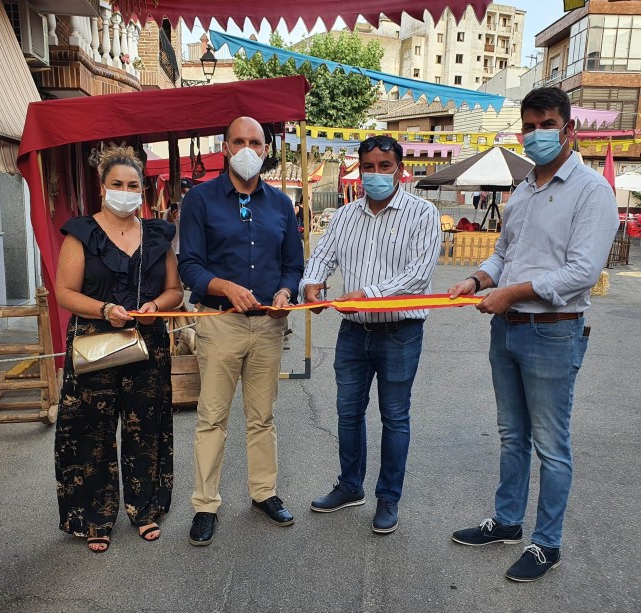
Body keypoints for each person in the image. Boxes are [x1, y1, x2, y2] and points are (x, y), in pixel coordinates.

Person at [448, 87, 619, 582]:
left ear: (569, 128)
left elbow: (583, 272)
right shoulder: (522, 190)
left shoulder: (592, 192)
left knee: (551, 443)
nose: (536, 134)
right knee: (511, 435)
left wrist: (513, 291)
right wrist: (478, 280)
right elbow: (503, 252)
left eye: (546, 123)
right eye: (529, 125)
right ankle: (506, 522)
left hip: (552, 331)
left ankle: (548, 544)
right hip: (507, 329)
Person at [300, 136, 440, 534]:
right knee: (348, 413)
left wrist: (370, 295)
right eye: (368, 167)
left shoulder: (422, 213)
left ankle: (388, 497)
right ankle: (349, 486)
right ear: (357, 169)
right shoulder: (344, 216)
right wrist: (312, 283)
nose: (375, 174)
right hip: (353, 331)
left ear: (400, 168)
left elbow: (418, 275)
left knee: (395, 417)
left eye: (384, 166)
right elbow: (322, 256)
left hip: (401, 331)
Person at [179, 116, 304, 546]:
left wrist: (287, 292)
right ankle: (205, 504)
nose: (248, 148)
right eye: (239, 141)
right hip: (219, 323)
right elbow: (189, 266)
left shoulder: (281, 205)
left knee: (262, 417)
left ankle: (263, 493)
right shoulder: (200, 200)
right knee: (212, 417)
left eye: (255, 141)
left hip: (269, 326)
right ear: (225, 146)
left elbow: (294, 265)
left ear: (266, 149)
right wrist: (226, 287)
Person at [54, 147, 183, 553]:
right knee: (90, 430)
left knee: (146, 426)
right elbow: (63, 292)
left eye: (133, 185)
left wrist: (156, 308)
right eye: (117, 185)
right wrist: (104, 308)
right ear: (102, 187)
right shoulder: (81, 234)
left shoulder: (158, 234)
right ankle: (94, 517)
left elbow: (175, 290)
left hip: (148, 341)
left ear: (142, 189)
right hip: (96, 343)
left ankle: (145, 508)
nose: (125, 192)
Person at [167, 177, 194, 256]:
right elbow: (165, 226)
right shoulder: (172, 209)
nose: (182, 194)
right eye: (180, 191)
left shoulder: (196, 207)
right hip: (176, 250)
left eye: (184, 191)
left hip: (191, 249)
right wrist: (170, 219)